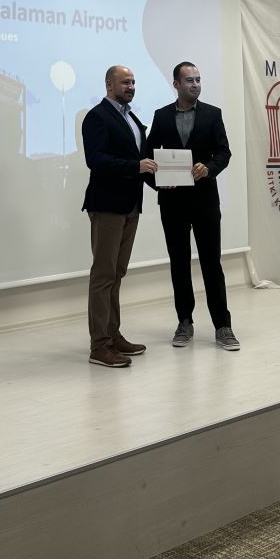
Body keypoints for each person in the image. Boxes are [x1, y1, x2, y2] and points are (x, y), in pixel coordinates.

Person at [147, 62, 239, 351]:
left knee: (212, 263)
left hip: (205, 201)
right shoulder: (161, 116)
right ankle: (184, 322)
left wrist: (209, 168)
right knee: (179, 263)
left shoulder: (213, 114)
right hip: (172, 202)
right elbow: (148, 158)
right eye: (189, 80)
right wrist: (159, 183)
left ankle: (223, 325)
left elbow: (224, 152)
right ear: (176, 84)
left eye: (198, 79)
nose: (196, 84)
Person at [82, 65, 157, 368]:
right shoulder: (97, 117)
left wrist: (164, 180)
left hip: (130, 205)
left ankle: (113, 335)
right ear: (109, 84)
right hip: (107, 205)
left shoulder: (132, 119)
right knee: (103, 276)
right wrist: (136, 167)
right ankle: (99, 346)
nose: (131, 86)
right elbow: (96, 160)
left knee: (117, 273)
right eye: (125, 82)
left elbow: (144, 161)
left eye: (134, 82)